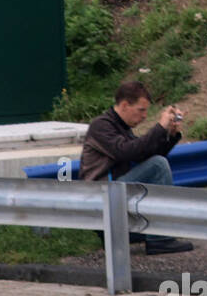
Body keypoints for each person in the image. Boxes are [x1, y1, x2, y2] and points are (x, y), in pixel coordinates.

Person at [80, 79, 194, 256]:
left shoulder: (121, 127)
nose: (144, 116)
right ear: (125, 105)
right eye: (141, 110)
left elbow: (144, 155)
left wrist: (170, 134)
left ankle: (144, 232)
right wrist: (159, 127)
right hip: (101, 198)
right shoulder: (101, 126)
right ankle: (160, 239)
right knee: (158, 165)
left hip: (113, 196)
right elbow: (127, 152)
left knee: (156, 163)